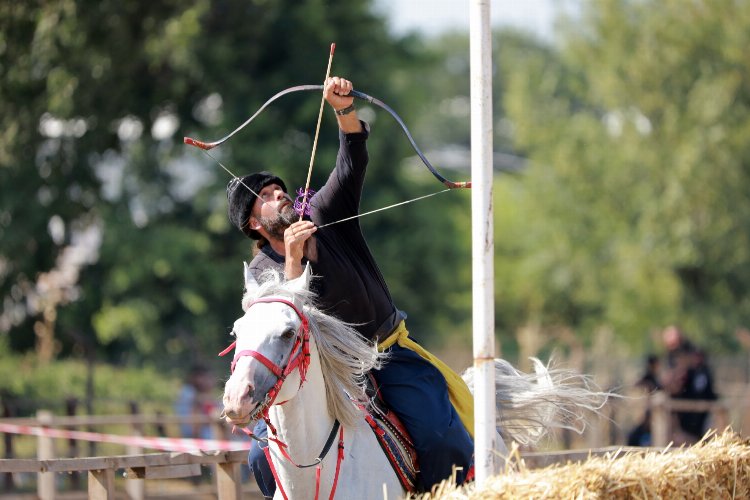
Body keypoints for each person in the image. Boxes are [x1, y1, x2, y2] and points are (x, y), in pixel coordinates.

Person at [226, 76, 474, 496]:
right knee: (258, 459)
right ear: (253, 222)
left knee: (439, 436)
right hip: (322, 376)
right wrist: (292, 260)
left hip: (385, 352)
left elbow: (351, 163)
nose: (280, 194)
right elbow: (286, 325)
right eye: (266, 195)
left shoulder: (322, 210)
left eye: (280, 188)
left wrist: (342, 109)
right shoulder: (264, 268)